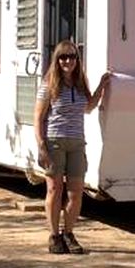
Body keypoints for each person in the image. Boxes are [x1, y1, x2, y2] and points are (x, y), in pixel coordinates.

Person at [35, 40, 111, 254]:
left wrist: (101, 87)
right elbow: (38, 117)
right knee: (54, 189)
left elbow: (88, 107)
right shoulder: (49, 84)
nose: (68, 61)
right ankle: (54, 235)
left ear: (77, 60)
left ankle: (68, 233)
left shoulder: (79, 83)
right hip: (54, 141)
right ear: (57, 60)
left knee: (76, 192)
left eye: (72, 57)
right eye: (63, 57)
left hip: (77, 142)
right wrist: (42, 146)